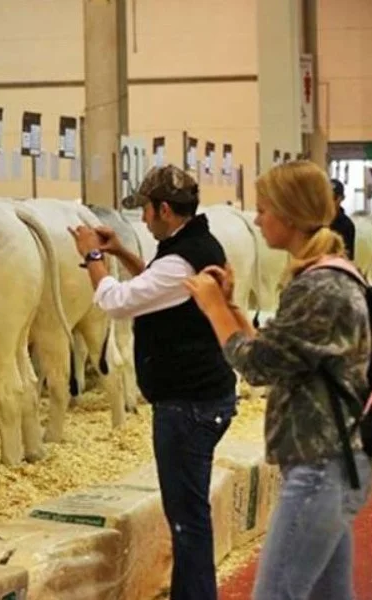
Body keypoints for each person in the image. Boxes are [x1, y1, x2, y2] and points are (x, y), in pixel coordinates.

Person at [185, 160, 372, 599]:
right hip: (330, 460)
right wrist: (232, 309)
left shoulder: (319, 286)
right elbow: (280, 360)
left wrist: (213, 309)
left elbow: (256, 367)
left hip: (321, 466)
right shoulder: (328, 275)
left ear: (288, 215)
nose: (257, 219)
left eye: (264, 208)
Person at [69, 165, 237, 600]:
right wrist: (122, 252)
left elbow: (117, 302)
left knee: (187, 519)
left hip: (188, 405)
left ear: (164, 208)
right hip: (204, 398)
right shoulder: (193, 245)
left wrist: (93, 259)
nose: (143, 218)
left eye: (145, 209)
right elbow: (160, 287)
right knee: (187, 514)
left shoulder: (182, 254)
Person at [330, 178, 356, 260]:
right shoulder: (315, 221)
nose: (329, 202)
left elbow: (348, 256)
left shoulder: (347, 225)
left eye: (333, 197)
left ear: (341, 198)